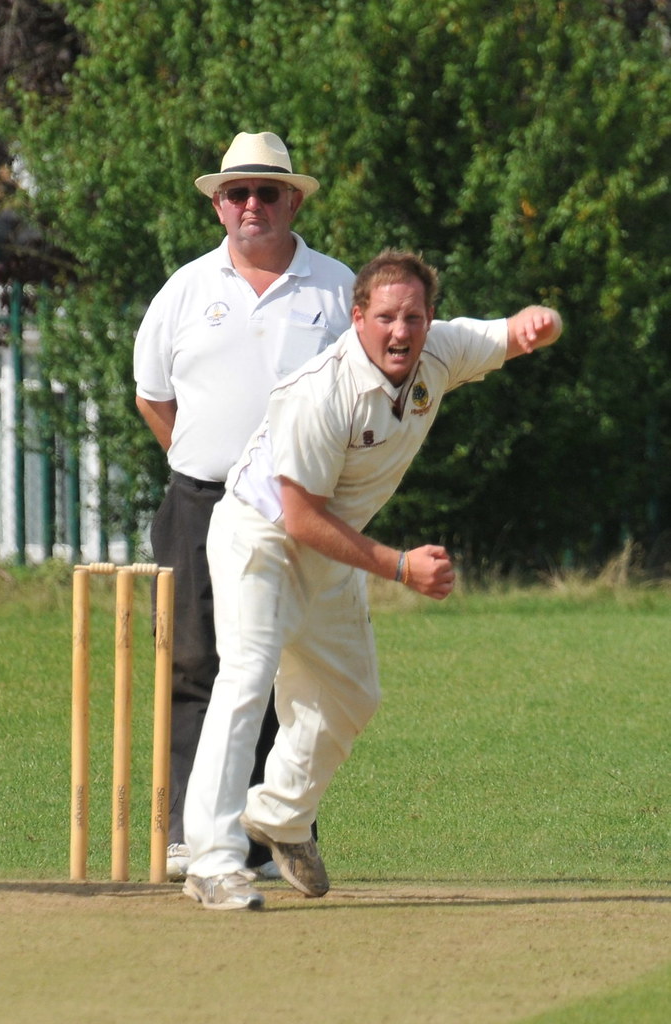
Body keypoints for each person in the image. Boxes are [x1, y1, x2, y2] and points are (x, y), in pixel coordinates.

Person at [182, 249, 563, 911]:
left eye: (413, 317)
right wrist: (397, 566)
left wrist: (541, 322)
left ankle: (279, 817)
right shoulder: (318, 391)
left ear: (429, 318)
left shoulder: (439, 351)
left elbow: (511, 333)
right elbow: (299, 514)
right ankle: (212, 861)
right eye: (385, 316)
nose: (400, 331)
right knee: (246, 676)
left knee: (352, 693)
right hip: (262, 536)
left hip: (329, 548)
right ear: (357, 319)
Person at [133, 131, 355, 880]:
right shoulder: (187, 289)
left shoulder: (336, 289)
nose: (252, 205)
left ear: (294, 199)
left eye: (268, 192)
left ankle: (272, 835)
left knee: (287, 669)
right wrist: (212, 467)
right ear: (219, 206)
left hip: (300, 505)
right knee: (198, 663)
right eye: (238, 193)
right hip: (201, 499)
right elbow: (151, 395)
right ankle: (192, 834)